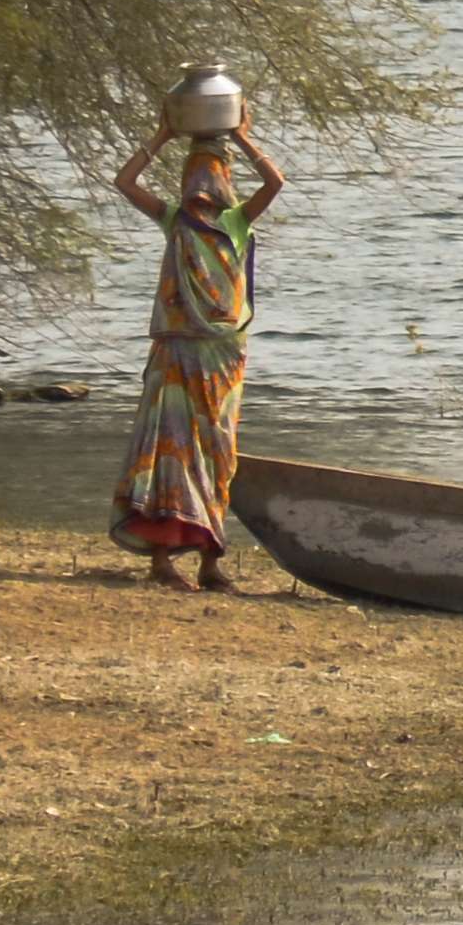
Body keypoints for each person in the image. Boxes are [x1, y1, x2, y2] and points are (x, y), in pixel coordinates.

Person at [107, 111, 286, 591]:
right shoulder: (174, 219)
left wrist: (244, 140)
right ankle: (161, 561)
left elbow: (276, 183)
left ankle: (210, 562)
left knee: (216, 452)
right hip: (177, 357)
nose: (204, 181)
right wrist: (163, 136)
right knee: (169, 451)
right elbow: (124, 181)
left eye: (214, 170)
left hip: (223, 357)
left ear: (226, 179)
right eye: (196, 171)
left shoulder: (238, 220)